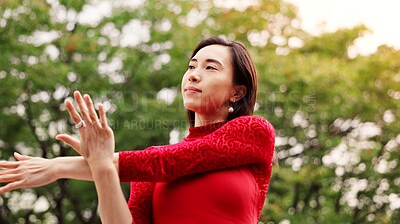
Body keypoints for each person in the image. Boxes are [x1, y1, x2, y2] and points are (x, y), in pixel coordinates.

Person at [0, 36, 275, 224]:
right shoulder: (147, 170)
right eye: (191, 66)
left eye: (210, 68)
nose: (193, 74)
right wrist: (101, 166)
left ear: (237, 93)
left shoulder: (254, 132)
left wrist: (58, 166)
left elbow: (168, 163)